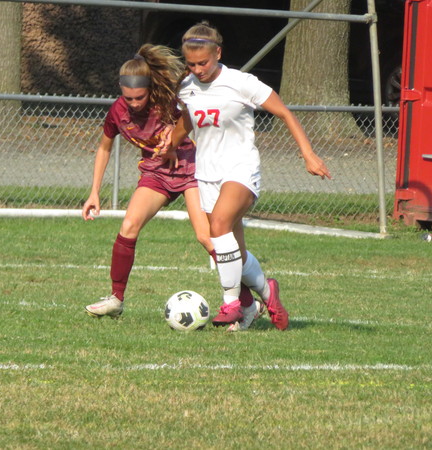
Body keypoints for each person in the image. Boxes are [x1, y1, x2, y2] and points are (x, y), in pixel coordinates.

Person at [170, 22, 331, 331]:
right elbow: (189, 119)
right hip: (207, 173)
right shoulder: (187, 86)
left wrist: (308, 154)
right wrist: (170, 144)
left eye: (203, 62)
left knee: (218, 227)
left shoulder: (241, 82)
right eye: (191, 64)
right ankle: (267, 294)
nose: (197, 69)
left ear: (218, 53)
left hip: (241, 168)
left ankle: (231, 302)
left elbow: (284, 112)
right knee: (229, 250)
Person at [81, 44, 256, 321]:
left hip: (189, 170)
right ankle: (116, 299)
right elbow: (104, 148)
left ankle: (247, 303)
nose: (135, 103)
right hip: (155, 173)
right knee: (128, 226)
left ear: (150, 90)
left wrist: (174, 144)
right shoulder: (117, 112)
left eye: (140, 97)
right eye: (129, 98)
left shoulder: (168, 104)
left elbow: (194, 123)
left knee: (206, 237)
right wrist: (94, 192)